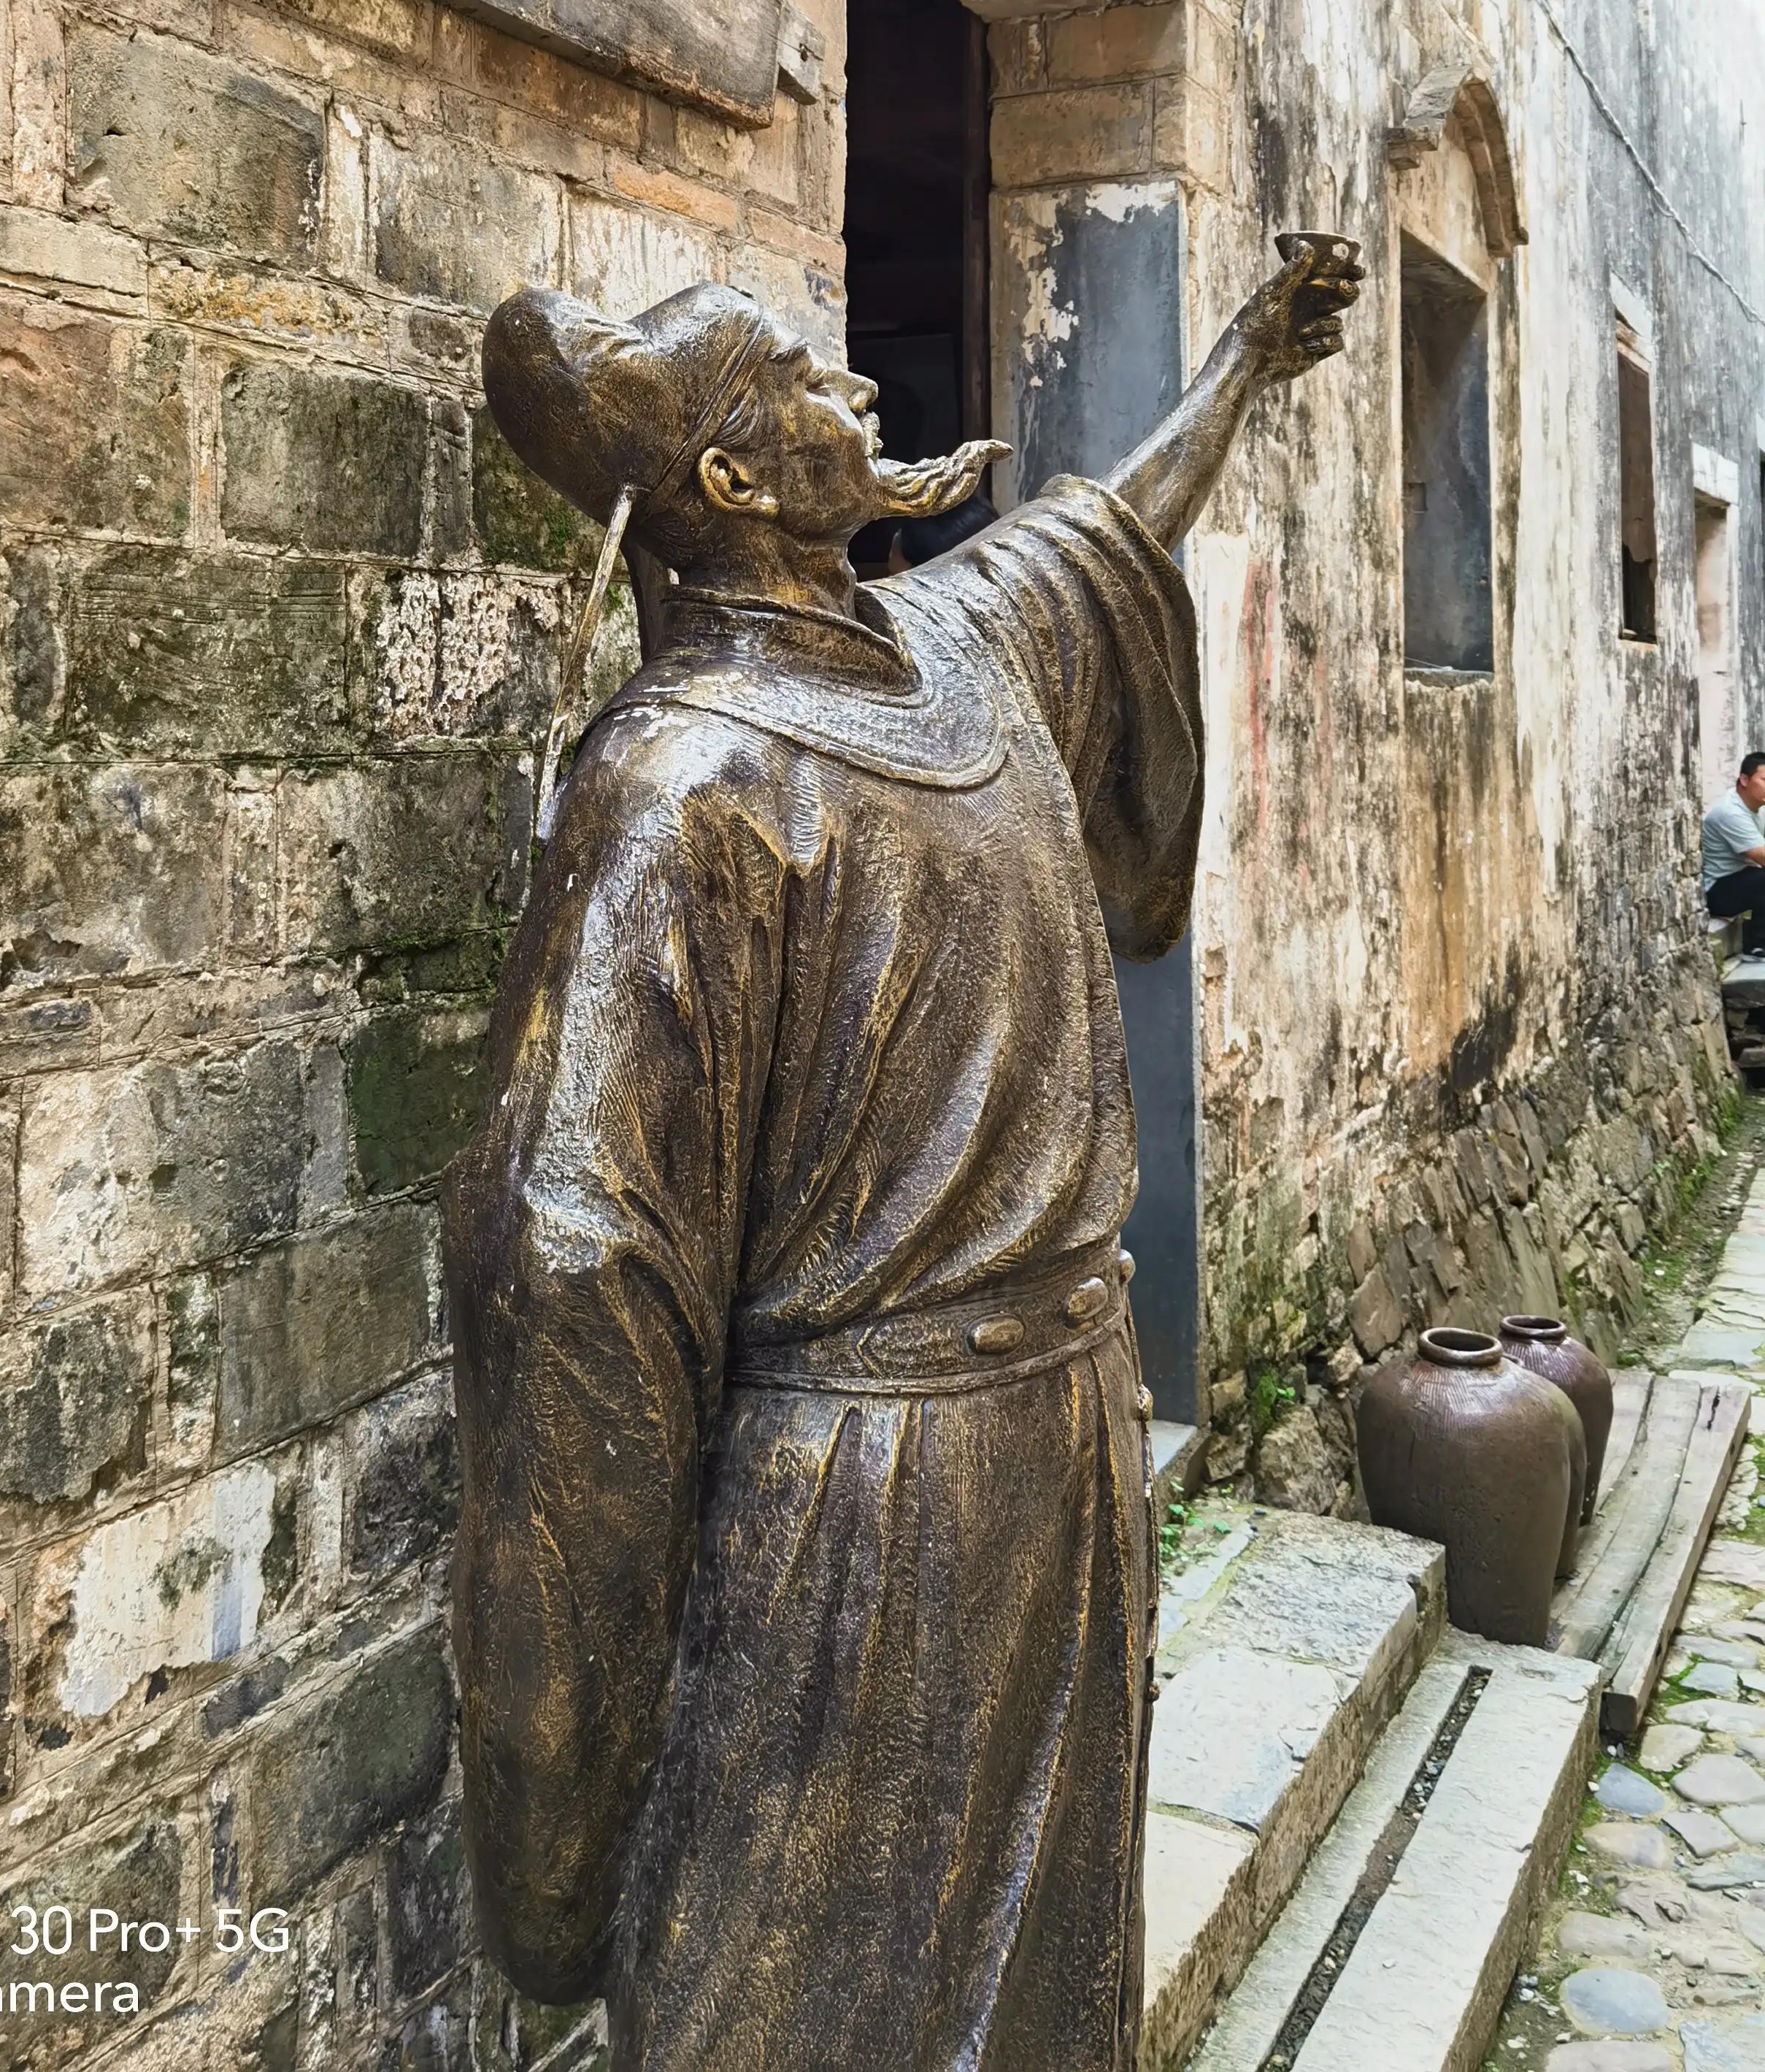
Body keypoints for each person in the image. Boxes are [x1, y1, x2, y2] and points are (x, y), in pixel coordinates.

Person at [444, 237, 1361, 2072]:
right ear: (725, 483)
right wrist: (549, 1820)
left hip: (1053, 1453)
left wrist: (1248, 359)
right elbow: (568, 1274)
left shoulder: (944, 652)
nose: (859, 389)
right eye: (805, 378)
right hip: (848, 1524)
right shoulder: (676, 783)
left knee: (1036, 1988)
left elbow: (1108, 532)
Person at [1703, 751, 1765, 946]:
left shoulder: (1759, 806)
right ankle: (1757, 946)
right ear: (1744, 780)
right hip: (1719, 890)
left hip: (1745, 877)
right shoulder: (1730, 811)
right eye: (1764, 779)